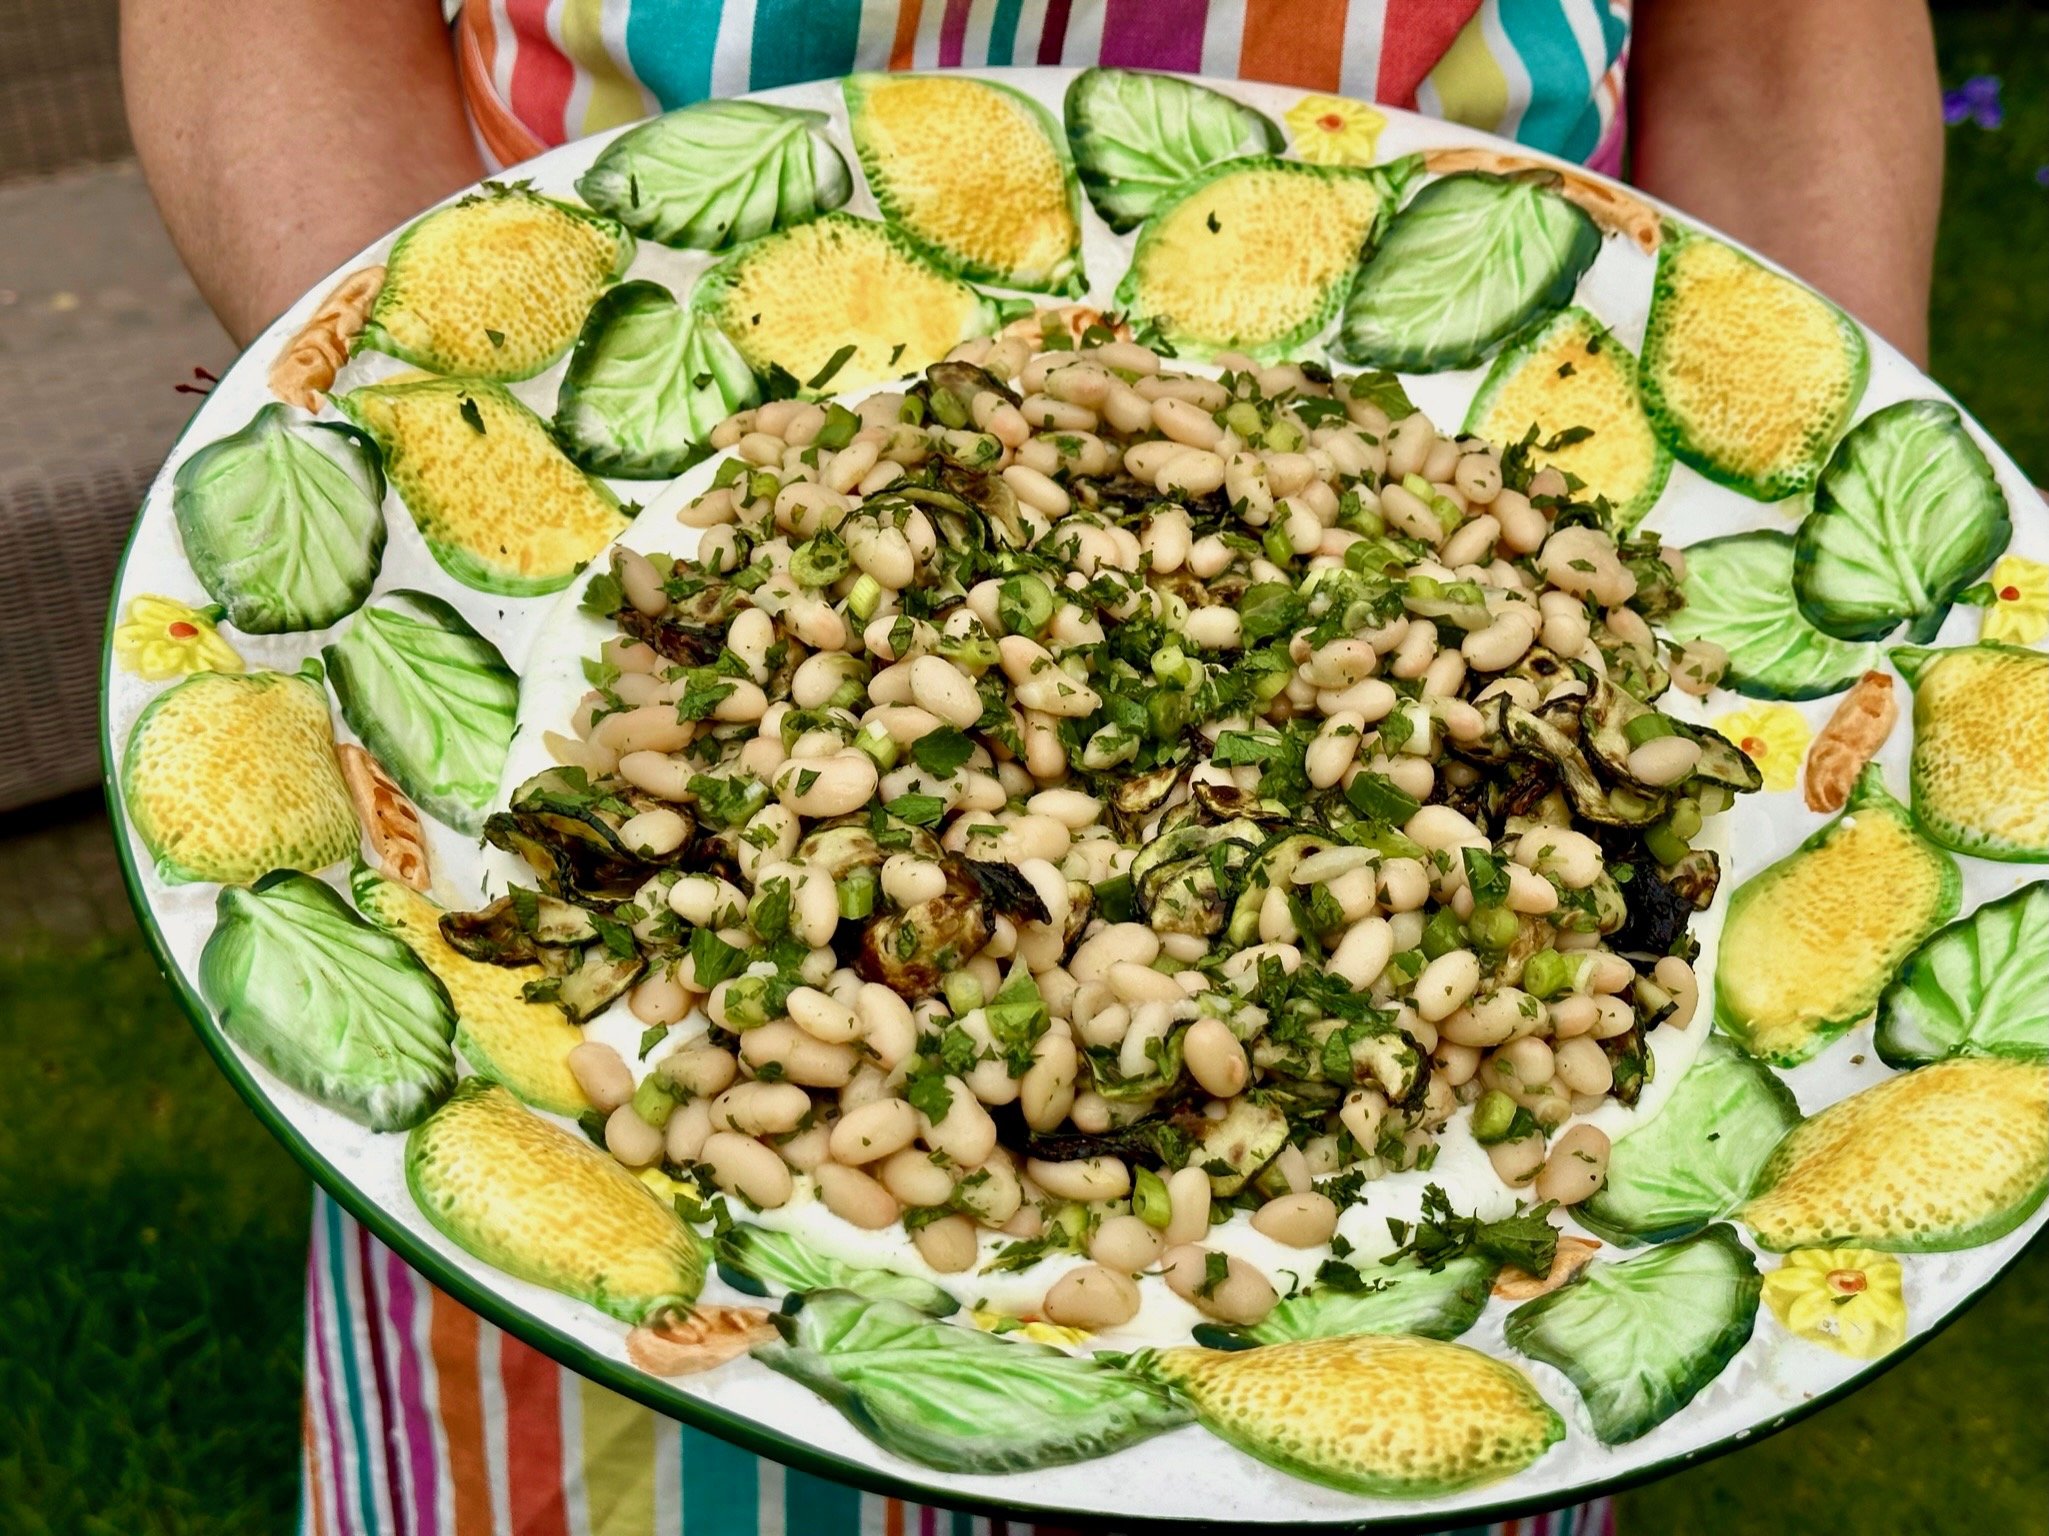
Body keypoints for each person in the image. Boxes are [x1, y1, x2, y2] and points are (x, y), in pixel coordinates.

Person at [120, 3, 1945, 1533]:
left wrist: (1794, 506)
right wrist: (446, 427)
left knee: (1371, 1394)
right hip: (640, 402)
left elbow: (1786, 40)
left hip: (1467, 359)